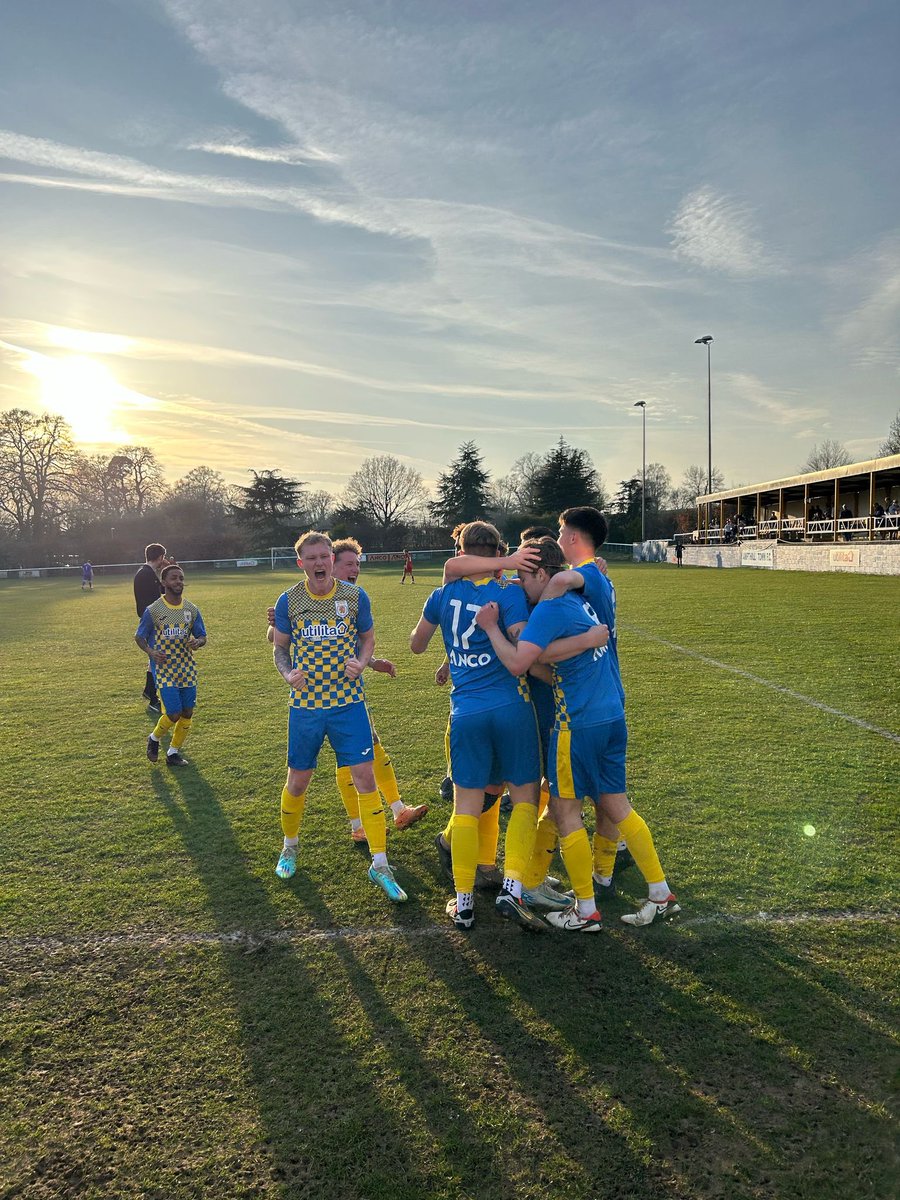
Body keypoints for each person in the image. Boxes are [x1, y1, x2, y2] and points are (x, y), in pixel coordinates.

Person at [547, 506, 680, 926]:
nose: (558, 537)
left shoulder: (585, 573)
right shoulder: (600, 576)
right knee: (612, 802)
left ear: (572, 536)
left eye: (561, 531)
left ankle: (584, 906)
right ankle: (647, 888)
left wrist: (539, 609)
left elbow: (565, 580)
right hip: (609, 699)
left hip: (585, 701)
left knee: (566, 805)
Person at [409, 520, 544, 931]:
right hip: (512, 708)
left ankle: (464, 902)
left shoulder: (443, 592)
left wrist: (453, 654)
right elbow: (522, 645)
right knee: (523, 799)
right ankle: (513, 889)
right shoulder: (510, 593)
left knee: (464, 810)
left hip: (465, 712)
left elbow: (416, 644)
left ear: (461, 550)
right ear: (500, 549)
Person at [271, 531, 406, 902]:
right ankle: (290, 847)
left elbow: (368, 639)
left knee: (365, 778)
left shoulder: (355, 596)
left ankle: (380, 864)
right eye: (310, 558)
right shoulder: (289, 601)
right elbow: (280, 648)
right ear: (301, 563)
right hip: (306, 708)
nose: (318, 563)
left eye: (324, 556)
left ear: (332, 559)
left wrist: (363, 662)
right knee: (298, 782)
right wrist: (287, 673)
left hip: (349, 704)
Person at [329, 538, 428, 840]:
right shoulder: (311, 600)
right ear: (330, 564)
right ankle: (359, 825)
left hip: (352, 689)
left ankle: (397, 810)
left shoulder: (354, 598)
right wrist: (272, 624)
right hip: (324, 694)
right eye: (348, 563)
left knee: (370, 745)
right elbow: (278, 634)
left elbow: (352, 644)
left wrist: (372, 662)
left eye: (357, 564)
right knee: (350, 755)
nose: (355, 569)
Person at [135, 563, 206, 767]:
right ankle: (154, 738)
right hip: (165, 669)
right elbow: (139, 637)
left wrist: (198, 642)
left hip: (187, 668)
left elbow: (202, 635)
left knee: (187, 713)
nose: (178, 582)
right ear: (164, 582)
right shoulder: (154, 610)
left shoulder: (191, 610)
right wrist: (151, 652)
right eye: (174, 578)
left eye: (181, 578)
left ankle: (173, 753)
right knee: (173, 713)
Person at [134, 544, 168, 712]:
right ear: (160, 557)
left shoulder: (145, 573)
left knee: (153, 658)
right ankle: (153, 698)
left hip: (150, 620)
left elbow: (161, 590)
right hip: (151, 621)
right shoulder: (146, 574)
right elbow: (156, 599)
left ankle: (149, 692)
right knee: (157, 657)